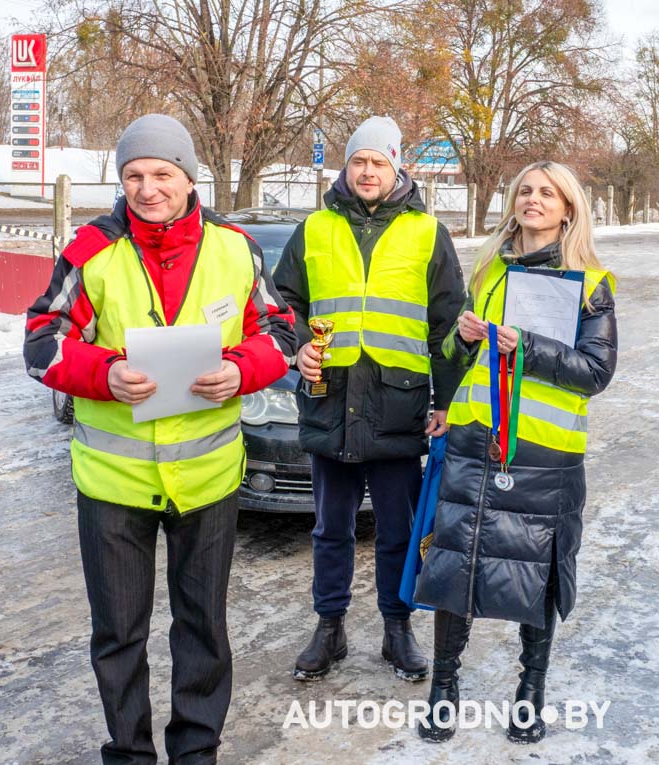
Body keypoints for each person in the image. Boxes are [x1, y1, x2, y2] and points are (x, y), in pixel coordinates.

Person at [23, 113, 296, 764]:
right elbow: (39, 342)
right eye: (134, 175)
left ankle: (196, 751)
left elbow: (283, 333)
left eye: (162, 174)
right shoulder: (91, 248)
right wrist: (102, 372)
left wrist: (239, 369)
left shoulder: (235, 247)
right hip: (113, 484)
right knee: (118, 632)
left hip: (206, 479)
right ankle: (129, 752)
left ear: (189, 177)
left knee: (203, 628)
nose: (148, 188)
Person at [412, 160, 618, 744]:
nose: (533, 200)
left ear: (567, 208)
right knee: (455, 559)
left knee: (537, 571)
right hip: (475, 440)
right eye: (525, 191)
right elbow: (456, 352)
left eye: (547, 193)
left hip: (544, 451)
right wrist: (464, 337)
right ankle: (444, 689)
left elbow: (596, 372)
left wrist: (528, 346)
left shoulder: (591, 282)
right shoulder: (488, 270)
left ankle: (531, 691)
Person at [272, 116, 466, 682]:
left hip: (397, 407)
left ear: (397, 165)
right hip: (329, 403)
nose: (367, 171)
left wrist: (445, 400)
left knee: (397, 531)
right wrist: (300, 345)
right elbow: (284, 305)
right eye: (358, 161)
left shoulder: (428, 234)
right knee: (330, 528)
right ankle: (328, 628)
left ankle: (396, 629)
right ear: (346, 166)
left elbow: (447, 325)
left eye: (379, 162)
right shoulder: (314, 229)